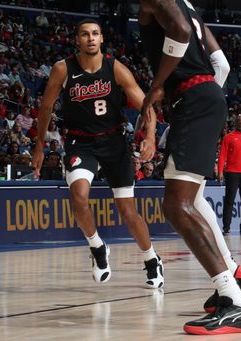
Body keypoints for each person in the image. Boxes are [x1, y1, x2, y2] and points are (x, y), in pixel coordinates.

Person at [132, 0, 241, 334]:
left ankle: (234, 301)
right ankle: (234, 278)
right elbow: (221, 62)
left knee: (176, 205)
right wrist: (206, 97)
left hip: (194, 98)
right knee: (193, 198)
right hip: (202, 98)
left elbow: (182, 33)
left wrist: (159, 87)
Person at [32, 20, 164, 288]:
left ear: (102, 38)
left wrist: (150, 136)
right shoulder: (62, 69)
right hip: (80, 143)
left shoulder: (115, 68)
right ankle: (97, 247)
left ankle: (152, 259)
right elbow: (45, 108)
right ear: (77, 40)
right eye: (84, 34)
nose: (90, 38)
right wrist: (39, 146)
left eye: (95, 34)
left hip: (114, 142)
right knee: (78, 197)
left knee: (128, 211)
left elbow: (146, 105)